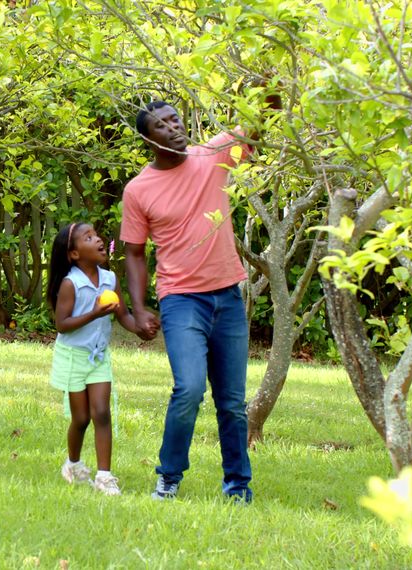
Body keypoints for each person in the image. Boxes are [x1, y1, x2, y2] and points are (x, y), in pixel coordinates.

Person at [120, 101, 256, 502]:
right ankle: (169, 477)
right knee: (190, 388)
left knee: (231, 402)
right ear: (148, 139)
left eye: (175, 120)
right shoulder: (138, 189)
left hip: (228, 297)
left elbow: (261, 123)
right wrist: (140, 307)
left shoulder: (213, 155)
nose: (174, 128)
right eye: (162, 126)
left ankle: (238, 487)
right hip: (181, 300)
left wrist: (270, 83)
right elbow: (133, 253)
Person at [47, 222, 142, 496]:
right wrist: (95, 313)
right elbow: (62, 324)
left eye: (96, 235)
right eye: (88, 238)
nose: (98, 239)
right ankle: (73, 465)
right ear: (74, 254)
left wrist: (140, 328)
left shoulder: (110, 279)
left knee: (101, 412)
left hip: (98, 356)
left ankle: (104, 476)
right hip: (73, 357)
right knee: (81, 419)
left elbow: (122, 315)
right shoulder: (71, 284)